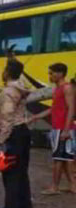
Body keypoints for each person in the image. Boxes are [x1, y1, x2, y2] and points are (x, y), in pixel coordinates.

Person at [0, 58, 32, 208]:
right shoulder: (20, 87)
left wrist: (2, 139)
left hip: (13, 133)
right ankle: (25, 206)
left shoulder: (8, 92)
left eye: (4, 69)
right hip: (24, 131)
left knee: (9, 171)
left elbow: (7, 117)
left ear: (7, 72)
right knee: (22, 170)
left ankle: (11, 207)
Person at [28, 63, 76, 195]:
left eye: (52, 73)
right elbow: (53, 109)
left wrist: (66, 130)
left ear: (60, 73)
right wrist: (36, 117)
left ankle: (55, 187)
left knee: (59, 159)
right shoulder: (58, 89)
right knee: (65, 159)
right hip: (58, 128)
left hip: (63, 129)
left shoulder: (67, 88)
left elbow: (71, 109)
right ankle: (72, 186)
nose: (50, 76)